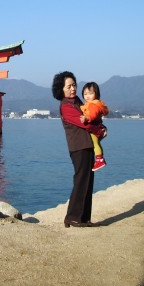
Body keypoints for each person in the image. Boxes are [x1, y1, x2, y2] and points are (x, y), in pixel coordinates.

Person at [52, 71, 106, 228]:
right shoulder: (66, 106)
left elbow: (92, 117)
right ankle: (72, 217)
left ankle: (84, 218)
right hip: (78, 147)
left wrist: (101, 126)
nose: (73, 89)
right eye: (68, 86)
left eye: (74, 85)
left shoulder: (77, 101)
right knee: (81, 181)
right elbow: (85, 124)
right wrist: (100, 131)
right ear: (61, 89)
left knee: (88, 182)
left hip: (87, 145)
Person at [80, 82, 109, 171]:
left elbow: (92, 114)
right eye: (85, 94)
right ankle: (99, 158)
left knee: (94, 143)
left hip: (95, 128)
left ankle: (100, 160)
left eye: (90, 93)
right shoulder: (94, 103)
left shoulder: (93, 105)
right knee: (96, 143)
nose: (87, 96)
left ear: (96, 94)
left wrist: (86, 118)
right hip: (98, 127)